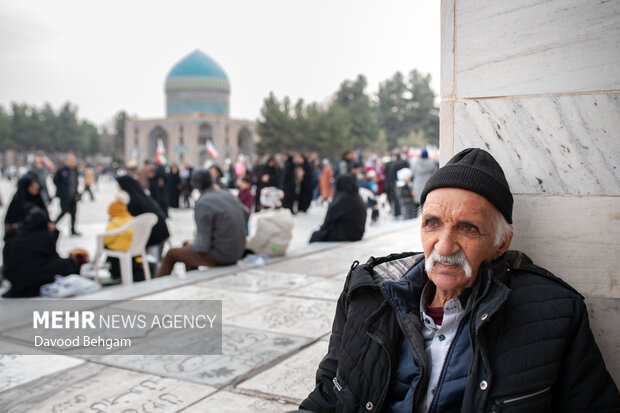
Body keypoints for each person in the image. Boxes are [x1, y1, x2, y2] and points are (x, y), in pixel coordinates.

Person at [300, 148, 620, 412]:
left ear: (500, 244)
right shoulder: (368, 295)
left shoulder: (555, 314)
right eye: (433, 223)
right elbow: (328, 397)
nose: (444, 246)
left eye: (467, 228)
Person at [155, 168, 246, 276]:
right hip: (238, 251)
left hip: (222, 255)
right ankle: (193, 279)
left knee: (171, 254)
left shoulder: (203, 203)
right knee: (187, 247)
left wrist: (194, 243)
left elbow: (203, 245)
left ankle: (155, 289)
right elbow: (246, 211)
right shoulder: (227, 195)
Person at [2, 207, 81, 297]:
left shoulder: (17, 233)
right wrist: (54, 233)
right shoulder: (43, 235)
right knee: (65, 264)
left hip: (13, 279)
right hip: (30, 277)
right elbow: (53, 257)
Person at [116, 175, 170, 264]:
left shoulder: (131, 200)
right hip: (161, 232)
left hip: (154, 235)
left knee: (153, 262)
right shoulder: (142, 195)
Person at [309, 174, 367, 243]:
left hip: (348, 234)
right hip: (358, 233)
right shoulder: (355, 196)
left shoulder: (344, 198)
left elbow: (330, 217)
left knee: (316, 236)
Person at [245, 187, 294, 257]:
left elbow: (257, 242)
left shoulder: (265, 219)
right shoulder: (286, 214)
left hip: (270, 251)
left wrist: (244, 243)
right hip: (282, 249)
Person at [53, 154, 81, 236]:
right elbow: (55, 180)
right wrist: (61, 189)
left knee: (73, 213)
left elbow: (76, 182)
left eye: (73, 161)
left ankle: (73, 229)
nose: (72, 163)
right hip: (64, 196)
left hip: (73, 195)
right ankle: (53, 224)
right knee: (63, 211)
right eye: (70, 161)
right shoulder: (62, 170)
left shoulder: (75, 170)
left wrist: (76, 192)